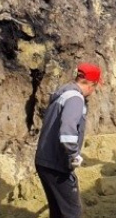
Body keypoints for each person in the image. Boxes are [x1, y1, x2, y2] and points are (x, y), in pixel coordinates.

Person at [34, 63, 102, 218]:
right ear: (92, 84)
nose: (94, 91)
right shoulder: (75, 99)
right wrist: (73, 155)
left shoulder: (64, 93)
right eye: (95, 87)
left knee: (58, 212)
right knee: (72, 212)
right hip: (57, 164)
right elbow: (67, 133)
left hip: (44, 161)